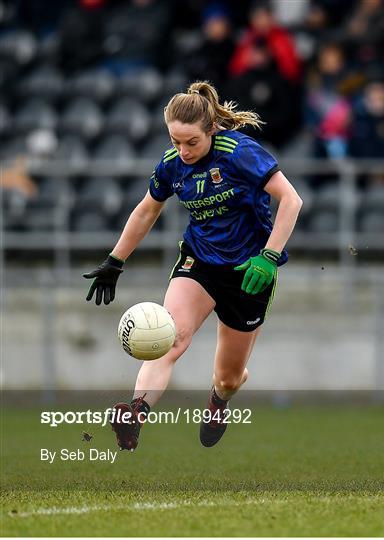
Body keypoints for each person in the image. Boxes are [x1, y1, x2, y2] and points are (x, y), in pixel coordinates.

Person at [83, 81, 303, 451]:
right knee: (170, 340)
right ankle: (135, 413)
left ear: (211, 130)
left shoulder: (239, 153)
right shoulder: (172, 165)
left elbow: (291, 200)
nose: (182, 151)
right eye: (175, 142)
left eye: (191, 143)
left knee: (229, 378)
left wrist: (268, 256)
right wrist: (115, 260)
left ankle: (218, 402)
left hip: (250, 272)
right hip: (198, 263)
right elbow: (147, 210)